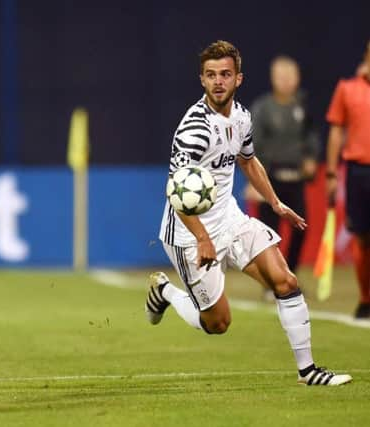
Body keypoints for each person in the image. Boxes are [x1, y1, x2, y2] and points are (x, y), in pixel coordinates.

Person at [146, 40, 351, 386]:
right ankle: (166, 292)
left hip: (229, 217)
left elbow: (247, 159)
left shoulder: (242, 117)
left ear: (239, 78)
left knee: (285, 280)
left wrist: (274, 201)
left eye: (225, 74)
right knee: (217, 323)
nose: (218, 81)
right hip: (188, 235)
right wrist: (202, 238)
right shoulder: (193, 130)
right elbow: (176, 192)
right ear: (202, 80)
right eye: (211, 75)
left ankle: (308, 370)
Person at [248, 56, 319, 301]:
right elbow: (253, 145)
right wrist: (255, 181)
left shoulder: (302, 106)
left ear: (298, 78)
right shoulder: (263, 108)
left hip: (295, 177)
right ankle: (271, 284)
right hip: (270, 179)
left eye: (291, 76)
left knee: (301, 226)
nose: (287, 82)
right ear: (273, 79)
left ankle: (289, 277)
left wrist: (311, 157)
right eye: (282, 77)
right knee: (270, 234)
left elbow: (311, 135)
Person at [325, 40, 370, 319]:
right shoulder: (347, 88)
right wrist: (331, 173)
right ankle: (366, 299)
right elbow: (336, 132)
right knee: (363, 238)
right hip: (358, 172)